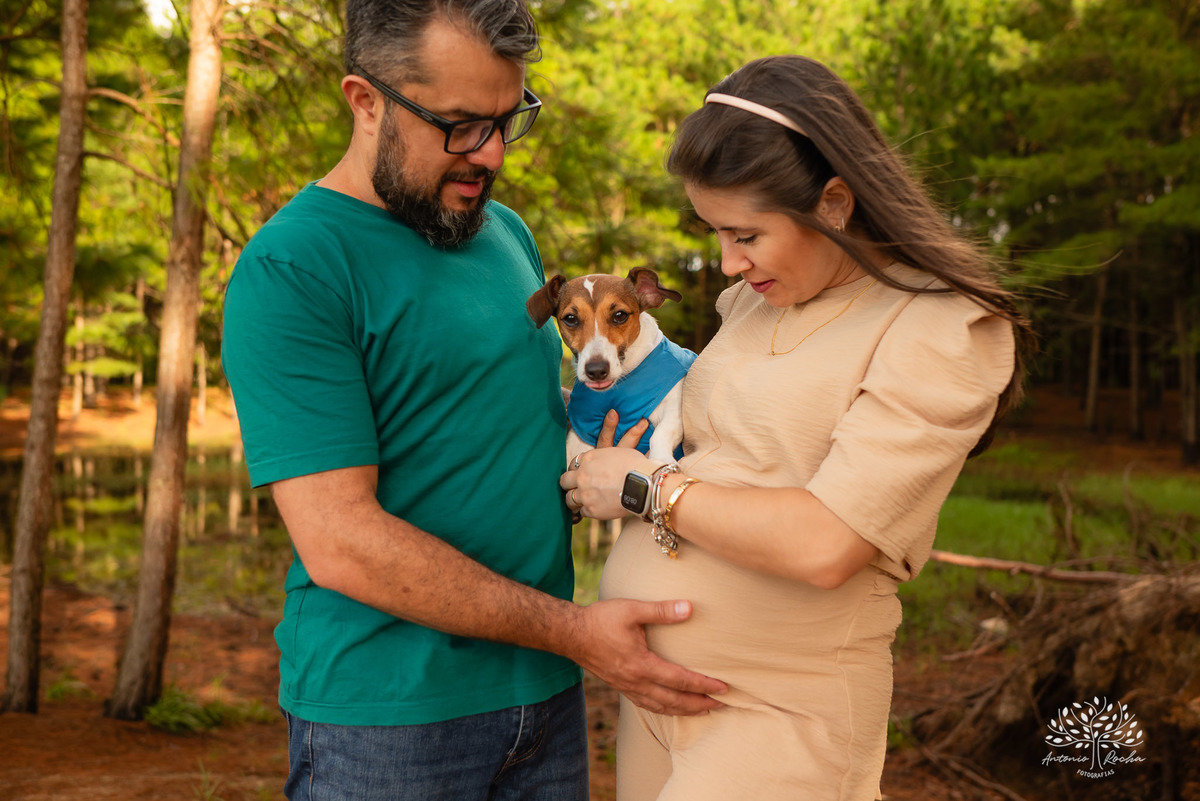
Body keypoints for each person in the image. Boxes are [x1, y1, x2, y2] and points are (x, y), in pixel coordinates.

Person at [220, 2, 725, 799]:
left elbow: (513, 420)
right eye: (460, 125)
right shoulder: (296, 267)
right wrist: (576, 631)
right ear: (365, 100)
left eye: (507, 119)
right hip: (390, 720)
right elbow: (339, 540)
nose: (490, 153)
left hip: (545, 696)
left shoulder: (502, 233)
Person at [560, 55, 1032, 801]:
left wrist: (648, 488)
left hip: (779, 716)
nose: (727, 263)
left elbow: (827, 542)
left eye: (745, 234)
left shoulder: (941, 325)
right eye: (715, 232)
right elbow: (730, 459)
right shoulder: (756, 302)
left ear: (834, 203)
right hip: (657, 700)